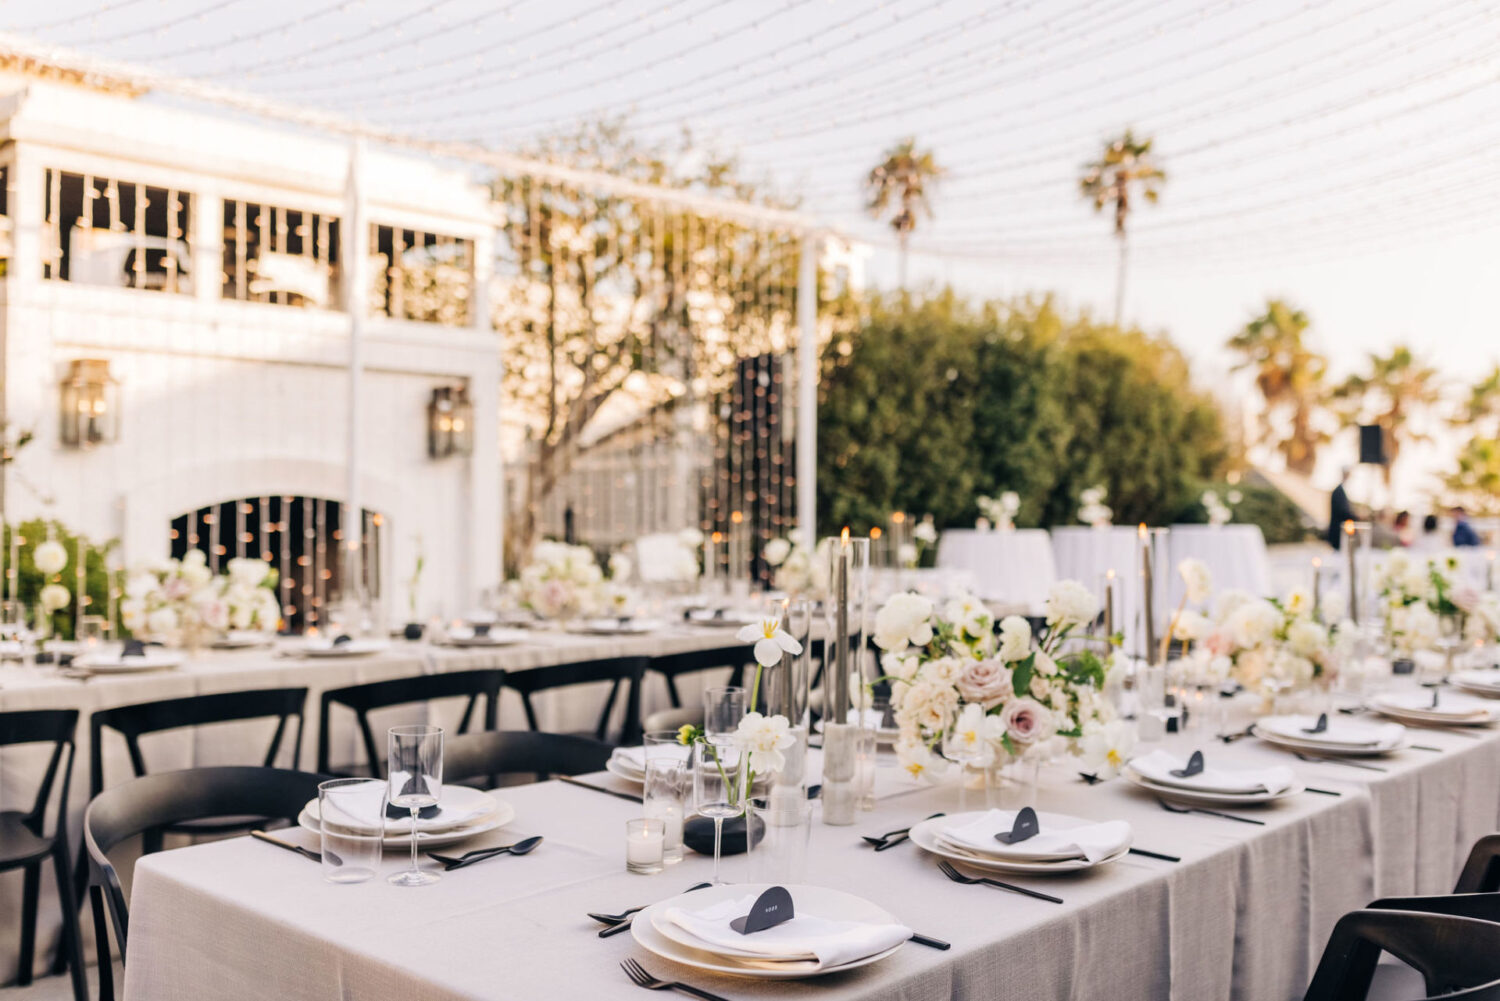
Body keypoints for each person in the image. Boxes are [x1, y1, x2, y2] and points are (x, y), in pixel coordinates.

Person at [1327, 467, 1353, 549]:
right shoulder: (1338, 491)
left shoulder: (1341, 491)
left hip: (1340, 531)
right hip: (1337, 532)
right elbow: (1343, 512)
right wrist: (1357, 516)